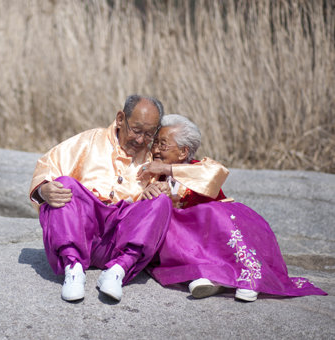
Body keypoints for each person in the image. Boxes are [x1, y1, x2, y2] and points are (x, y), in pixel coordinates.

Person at [139, 114, 327, 301]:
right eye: (154, 143)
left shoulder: (199, 168)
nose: (155, 150)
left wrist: (167, 170)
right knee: (173, 228)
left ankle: (249, 277)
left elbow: (216, 174)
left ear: (183, 152)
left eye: (162, 145)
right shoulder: (152, 176)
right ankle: (208, 277)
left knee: (213, 212)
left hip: (214, 233)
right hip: (187, 241)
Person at [29, 95, 173, 302]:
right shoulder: (89, 140)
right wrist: (44, 190)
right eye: (136, 130)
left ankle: (117, 271)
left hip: (119, 243)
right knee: (64, 185)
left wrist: (160, 189)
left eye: (149, 134)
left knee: (161, 202)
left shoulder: (154, 160)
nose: (141, 140)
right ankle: (73, 267)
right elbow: (47, 165)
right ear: (121, 118)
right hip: (80, 232)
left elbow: (184, 188)